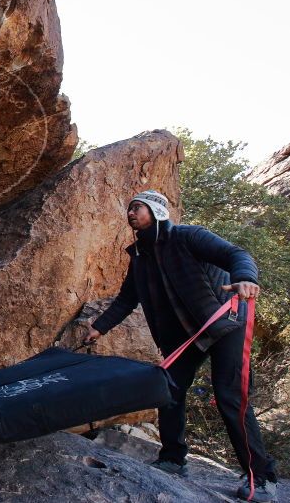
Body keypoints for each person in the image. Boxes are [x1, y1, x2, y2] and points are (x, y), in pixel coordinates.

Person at [82, 190, 277, 502]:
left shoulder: (189, 237)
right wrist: (98, 327)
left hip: (224, 323)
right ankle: (173, 459)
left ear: (157, 211)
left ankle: (262, 476)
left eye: (138, 208)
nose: (131, 213)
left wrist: (244, 278)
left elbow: (236, 254)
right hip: (184, 337)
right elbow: (126, 300)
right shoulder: (140, 259)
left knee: (229, 397)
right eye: (129, 209)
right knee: (168, 390)